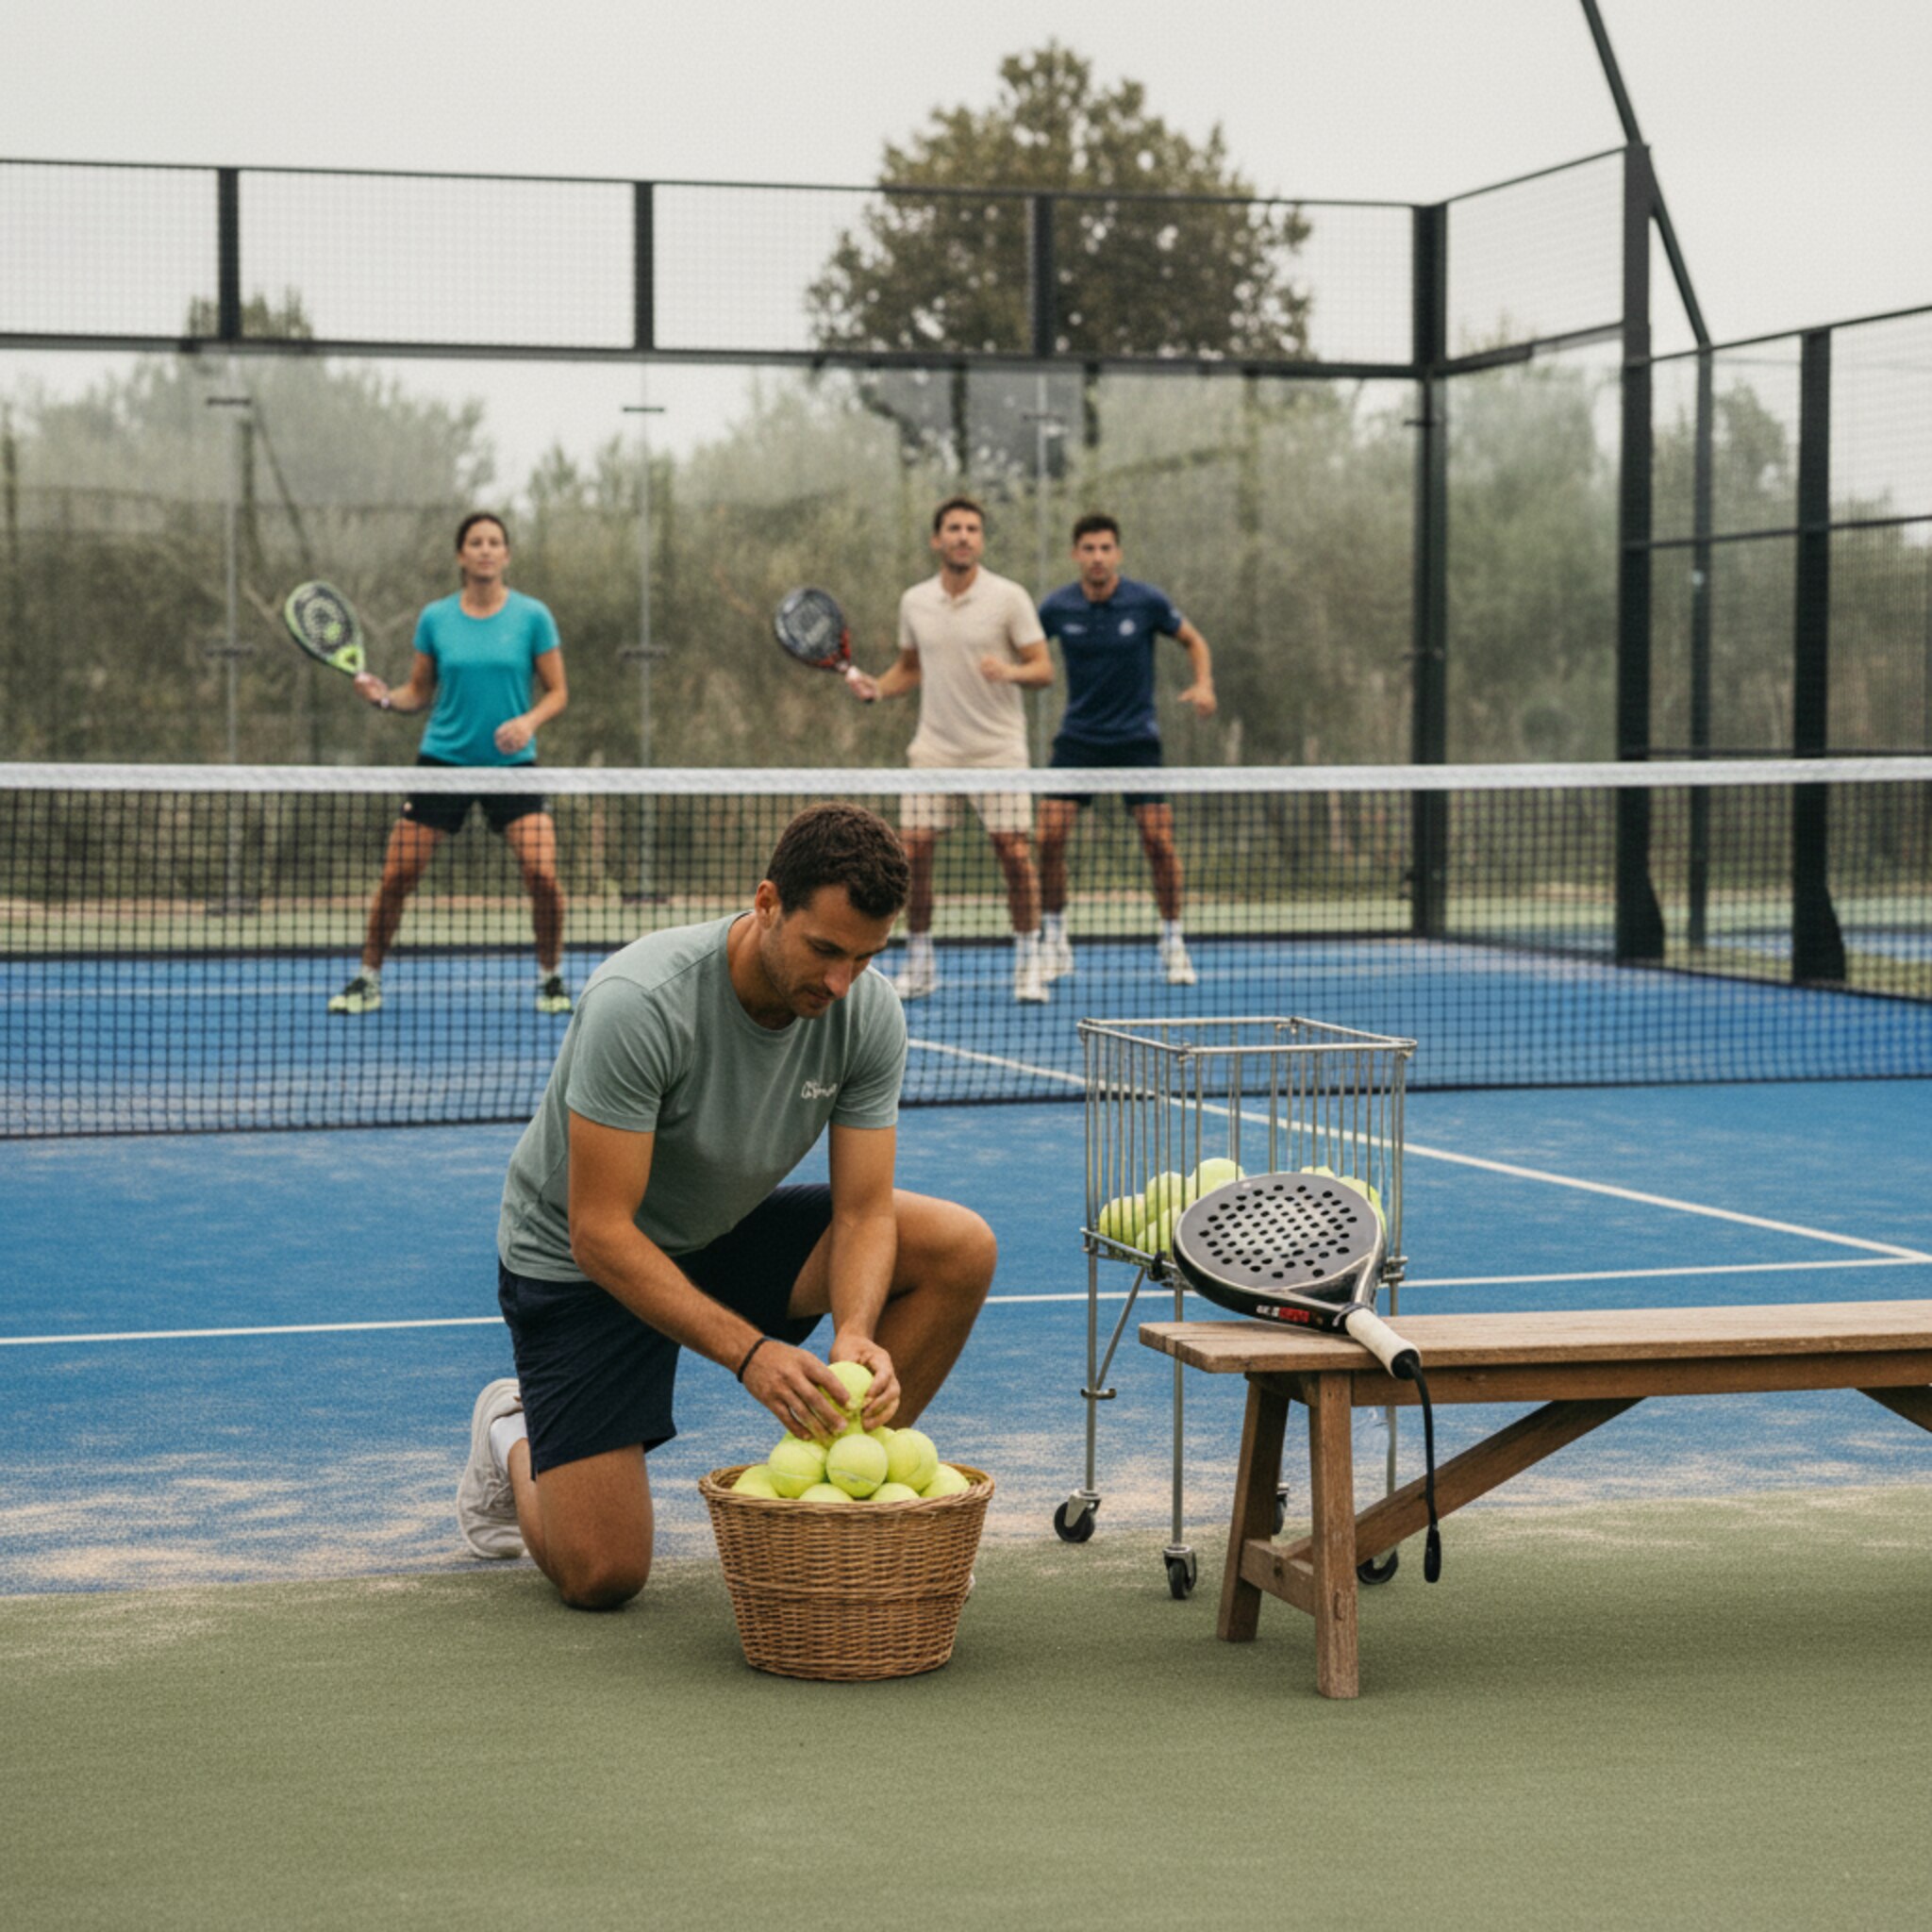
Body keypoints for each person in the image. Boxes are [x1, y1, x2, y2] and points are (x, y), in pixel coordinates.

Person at [456, 801, 996, 1607]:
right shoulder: (640, 1001)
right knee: (603, 1577)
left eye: (864, 958)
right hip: (582, 1267)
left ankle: (833, 1503)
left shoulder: (867, 1010)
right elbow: (599, 1233)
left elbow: (863, 1212)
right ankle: (511, 1429)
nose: (841, 982)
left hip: (719, 1231)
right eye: (824, 951)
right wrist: (751, 1354)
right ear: (768, 902)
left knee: (958, 1246)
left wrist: (854, 1330)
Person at [328, 511, 572, 1016]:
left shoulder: (533, 617)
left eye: (494, 542)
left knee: (543, 875)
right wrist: (383, 699)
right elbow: (419, 691)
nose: (485, 549)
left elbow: (558, 692)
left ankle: (551, 979)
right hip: (442, 761)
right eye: (475, 542)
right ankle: (367, 978)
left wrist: (528, 723)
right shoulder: (435, 618)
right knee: (398, 876)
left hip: (512, 766)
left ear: (506, 554)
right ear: (461, 555)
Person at [846, 496, 1054, 1005]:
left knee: (1015, 854)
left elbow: (1043, 669)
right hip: (935, 749)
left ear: (981, 540)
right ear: (937, 539)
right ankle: (920, 963)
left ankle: (1029, 963)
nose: (963, 536)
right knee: (911, 855)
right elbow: (910, 667)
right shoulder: (914, 601)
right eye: (954, 528)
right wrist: (879, 686)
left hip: (998, 750)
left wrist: (1010, 672)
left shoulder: (1010, 598)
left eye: (972, 529)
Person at [1034, 513, 1217, 988]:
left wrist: (1203, 684)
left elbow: (1193, 641)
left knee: (1159, 843)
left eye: (1105, 548)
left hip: (1137, 740)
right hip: (1078, 739)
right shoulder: (1056, 607)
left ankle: (1173, 940)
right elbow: (1025, 649)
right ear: (1076, 554)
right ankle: (1054, 938)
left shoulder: (1147, 601)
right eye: (1089, 548)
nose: (1097, 556)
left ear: (1118, 553)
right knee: (1048, 839)